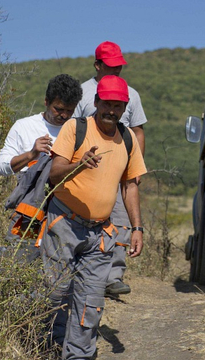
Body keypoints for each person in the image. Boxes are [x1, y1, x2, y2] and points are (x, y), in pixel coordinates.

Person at [42, 75, 146, 359]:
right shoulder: (75, 128)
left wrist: (136, 228)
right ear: (96, 102)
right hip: (63, 224)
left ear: (125, 107)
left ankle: (77, 355)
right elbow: (54, 173)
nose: (112, 110)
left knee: (90, 302)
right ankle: (48, 347)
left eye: (119, 105)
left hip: (100, 234)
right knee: (56, 293)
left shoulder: (127, 139)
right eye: (107, 104)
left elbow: (130, 185)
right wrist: (78, 165)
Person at [74, 41, 147, 296]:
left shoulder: (132, 94)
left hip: (119, 169)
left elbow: (138, 131)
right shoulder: (82, 93)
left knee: (121, 222)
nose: (116, 71)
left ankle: (113, 276)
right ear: (97, 65)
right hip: (88, 170)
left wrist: (134, 170)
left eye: (119, 67)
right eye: (111, 66)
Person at [0, 74, 82, 260]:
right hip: (30, 210)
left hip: (67, 210)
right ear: (46, 101)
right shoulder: (24, 126)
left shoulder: (79, 130)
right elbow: (0, 166)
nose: (64, 116)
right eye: (58, 109)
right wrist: (31, 155)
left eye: (69, 111)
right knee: (18, 261)